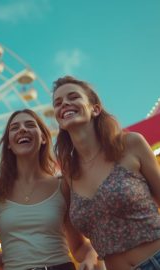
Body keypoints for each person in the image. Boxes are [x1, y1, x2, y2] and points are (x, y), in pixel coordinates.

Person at [52, 75, 160, 270]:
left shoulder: (130, 145)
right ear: (58, 120)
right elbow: (77, 247)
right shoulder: (68, 176)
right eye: (58, 103)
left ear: (95, 109)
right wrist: (89, 259)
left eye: (73, 97)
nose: (65, 103)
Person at [0, 109, 101, 270]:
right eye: (15, 127)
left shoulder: (62, 186)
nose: (22, 129)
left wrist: (91, 257)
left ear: (43, 138)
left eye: (30, 125)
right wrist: (9, 261)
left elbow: (78, 247)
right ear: (8, 143)